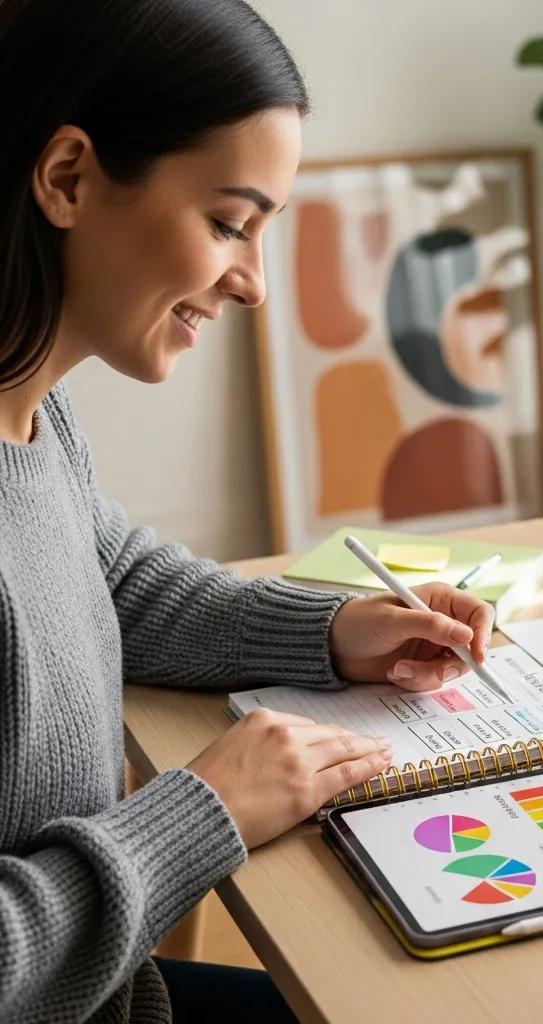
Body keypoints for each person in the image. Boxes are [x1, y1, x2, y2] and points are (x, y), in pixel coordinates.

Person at [0, 1, 495, 1021]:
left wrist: (332, 627)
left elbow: (116, 580)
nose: (254, 283)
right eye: (229, 222)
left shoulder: (35, 414)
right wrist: (201, 811)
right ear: (68, 178)